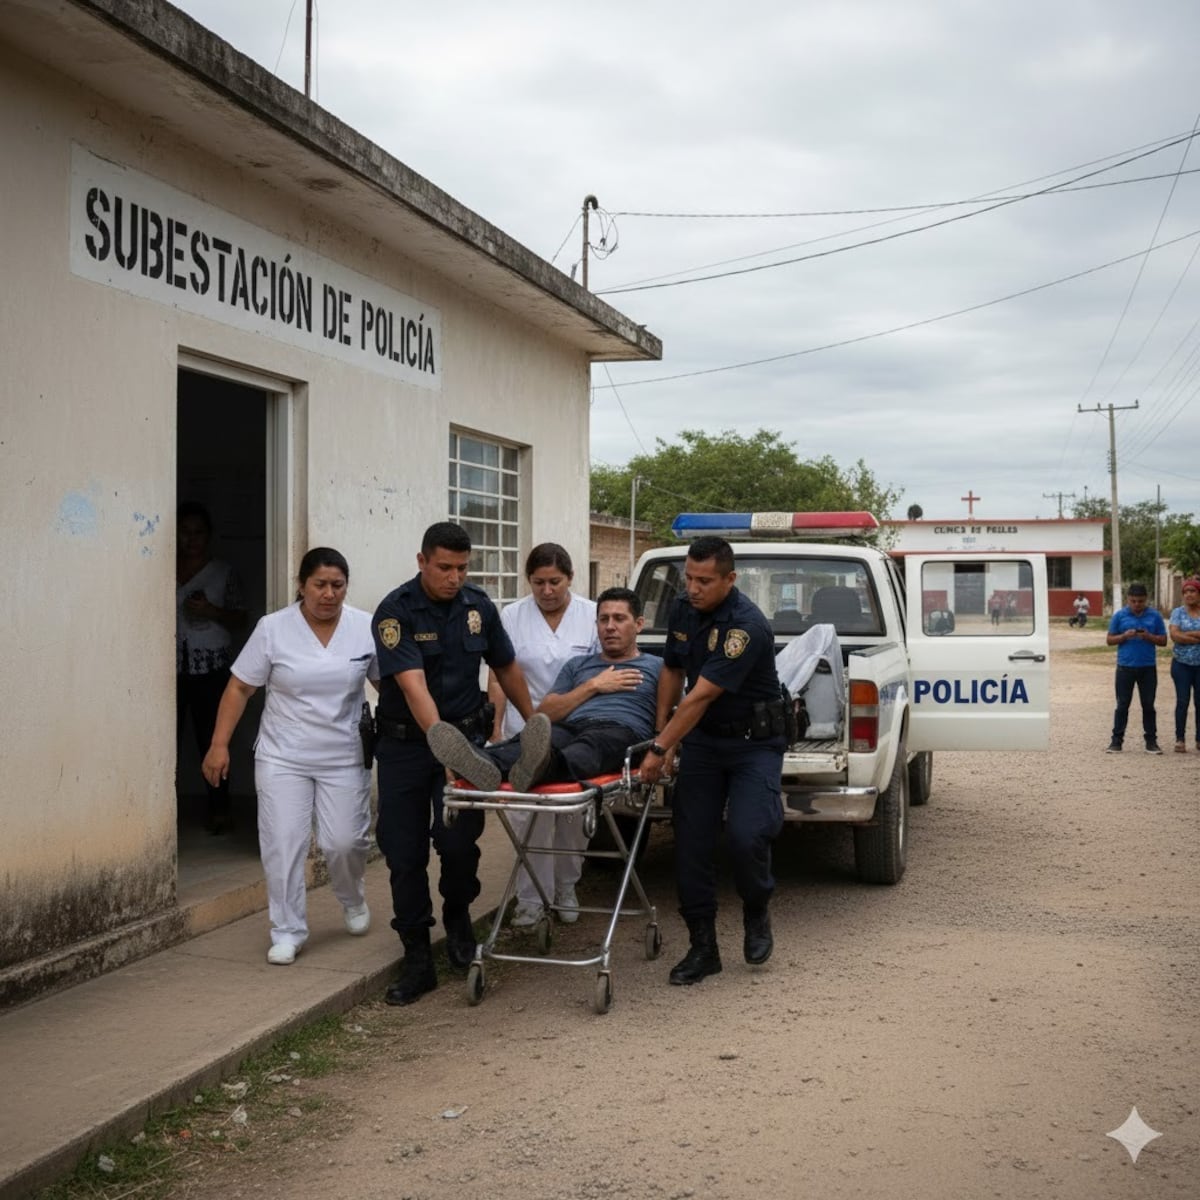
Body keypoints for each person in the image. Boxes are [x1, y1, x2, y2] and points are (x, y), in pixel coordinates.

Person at [372, 521, 534, 1006]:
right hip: (406, 748)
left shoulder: (478, 607)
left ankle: (459, 917)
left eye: (462, 568)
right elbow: (412, 685)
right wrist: (442, 747)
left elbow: (505, 667)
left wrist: (538, 725)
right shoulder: (395, 612)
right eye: (444, 567)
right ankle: (417, 956)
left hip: (467, 744)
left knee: (459, 844)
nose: (453, 577)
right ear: (421, 561)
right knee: (404, 852)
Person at [201, 548, 378, 965]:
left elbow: (386, 683)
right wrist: (219, 743)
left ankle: (352, 898)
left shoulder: (365, 627)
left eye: (337, 585)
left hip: (343, 754)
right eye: (320, 585)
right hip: (284, 756)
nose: (329, 594)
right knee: (283, 844)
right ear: (301, 585)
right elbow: (240, 688)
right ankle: (287, 929)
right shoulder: (273, 629)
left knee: (343, 842)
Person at [639, 536, 786, 985]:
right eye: (689, 577)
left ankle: (756, 908)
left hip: (752, 746)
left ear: (730, 579)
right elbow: (672, 668)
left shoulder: (747, 626)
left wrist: (661, 748)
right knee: (691, 845)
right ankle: (703, 948)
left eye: (705, 580)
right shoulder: (684, 607)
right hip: (702, 742)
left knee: (745, 837)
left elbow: (700, 694)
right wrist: (660, 729)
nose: (694, 587)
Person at [428, 586, 660, 814]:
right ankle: (479, 762)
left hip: (621, 730)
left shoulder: (657, 667)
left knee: (588, 747)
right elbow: (545, 714)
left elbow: (670, 714)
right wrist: (594, 685)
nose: (610, 627)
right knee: (529, 743)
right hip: (571, 725)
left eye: (619, 619)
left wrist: (662, 751)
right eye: (603, 619)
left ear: (638, 624)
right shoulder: (578, 665)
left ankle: (543, 766)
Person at [490, 544, 599, 928]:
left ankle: (566, 886)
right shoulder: (512, 616)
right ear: (529, 581)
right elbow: (501, 673)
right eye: (539, 583)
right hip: (526, 730)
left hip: (575, 733)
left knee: (571, 818)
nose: (547, 590)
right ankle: (532, 899)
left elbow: (601, 673)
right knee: (528, 819)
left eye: (555, 582)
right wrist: (497, 726)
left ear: (570, 578)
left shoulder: (591, 616)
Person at [176, 501, 246, 834]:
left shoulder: (222, 571)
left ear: (209, 536)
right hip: (169, 670)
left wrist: (211, 611)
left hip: (211, 669)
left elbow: (240, 617)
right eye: (185, 533)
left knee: (213, 740)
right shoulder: (164, 567)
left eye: (198, 533)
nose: (191, 540)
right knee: (166, 742)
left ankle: (220, 809)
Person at [1105, 582, 1168, 754]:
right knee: (1122, 705)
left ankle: (1151, 742)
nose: (1136, 605)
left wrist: (1148, 636)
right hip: (1125, 667)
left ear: (1146, 599)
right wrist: (1124, 636)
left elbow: (1163, 641)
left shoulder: (1154, 616)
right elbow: (1109, 640)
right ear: (1128, 600)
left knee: (1148, 705)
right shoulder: (1119, 616)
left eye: (1140, 601)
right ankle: (1116, 742)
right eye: (1133, 601)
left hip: (1147, 668)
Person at [1168, 577, 1200, 753]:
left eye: (1192, 591)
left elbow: (1181, 635)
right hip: (1181, 664)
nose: (1188, 595)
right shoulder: (1177, 613)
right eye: (1185, 592)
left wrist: (1186, 634)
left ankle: (1199, 739)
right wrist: (1197, 636)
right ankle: (1180, 739)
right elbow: (1175, 636)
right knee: (1182, 701)